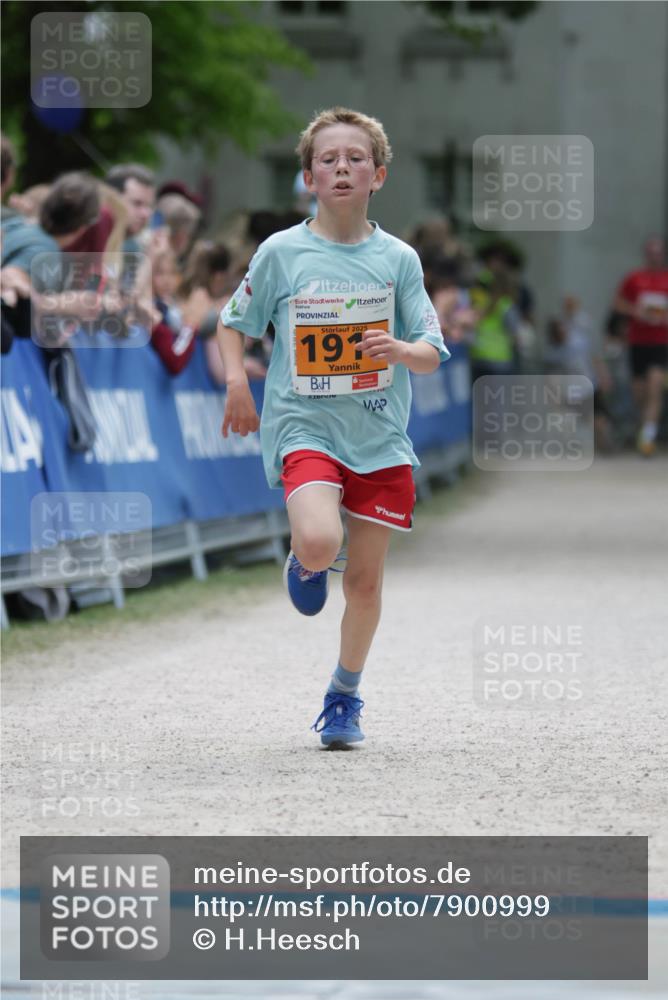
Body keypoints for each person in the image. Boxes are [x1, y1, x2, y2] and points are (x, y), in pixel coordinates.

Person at [217, 106, 450, 750]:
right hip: (304, 424)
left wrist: (401, 351)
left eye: (354, 159)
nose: (341, 167)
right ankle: (306, 557)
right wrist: (239, 382)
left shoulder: (399, 260)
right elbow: (233, 323)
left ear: (377, 175)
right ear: (309, 179)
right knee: (320, 542)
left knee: (366, 583)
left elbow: (432, 349)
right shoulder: (282, 252)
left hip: (378, 437)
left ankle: (344, 695)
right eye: (327, 159)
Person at [614, 236, 668, 456]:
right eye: (651, 253)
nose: (655, 256)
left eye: (658, 253)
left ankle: (647, 438)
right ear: (646, 255)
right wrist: (636, 311)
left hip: (661, 342)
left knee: (655, 387)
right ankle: (643, 425)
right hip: (638, 342)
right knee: (639, 392)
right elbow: (618, 303)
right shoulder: (634, 278)